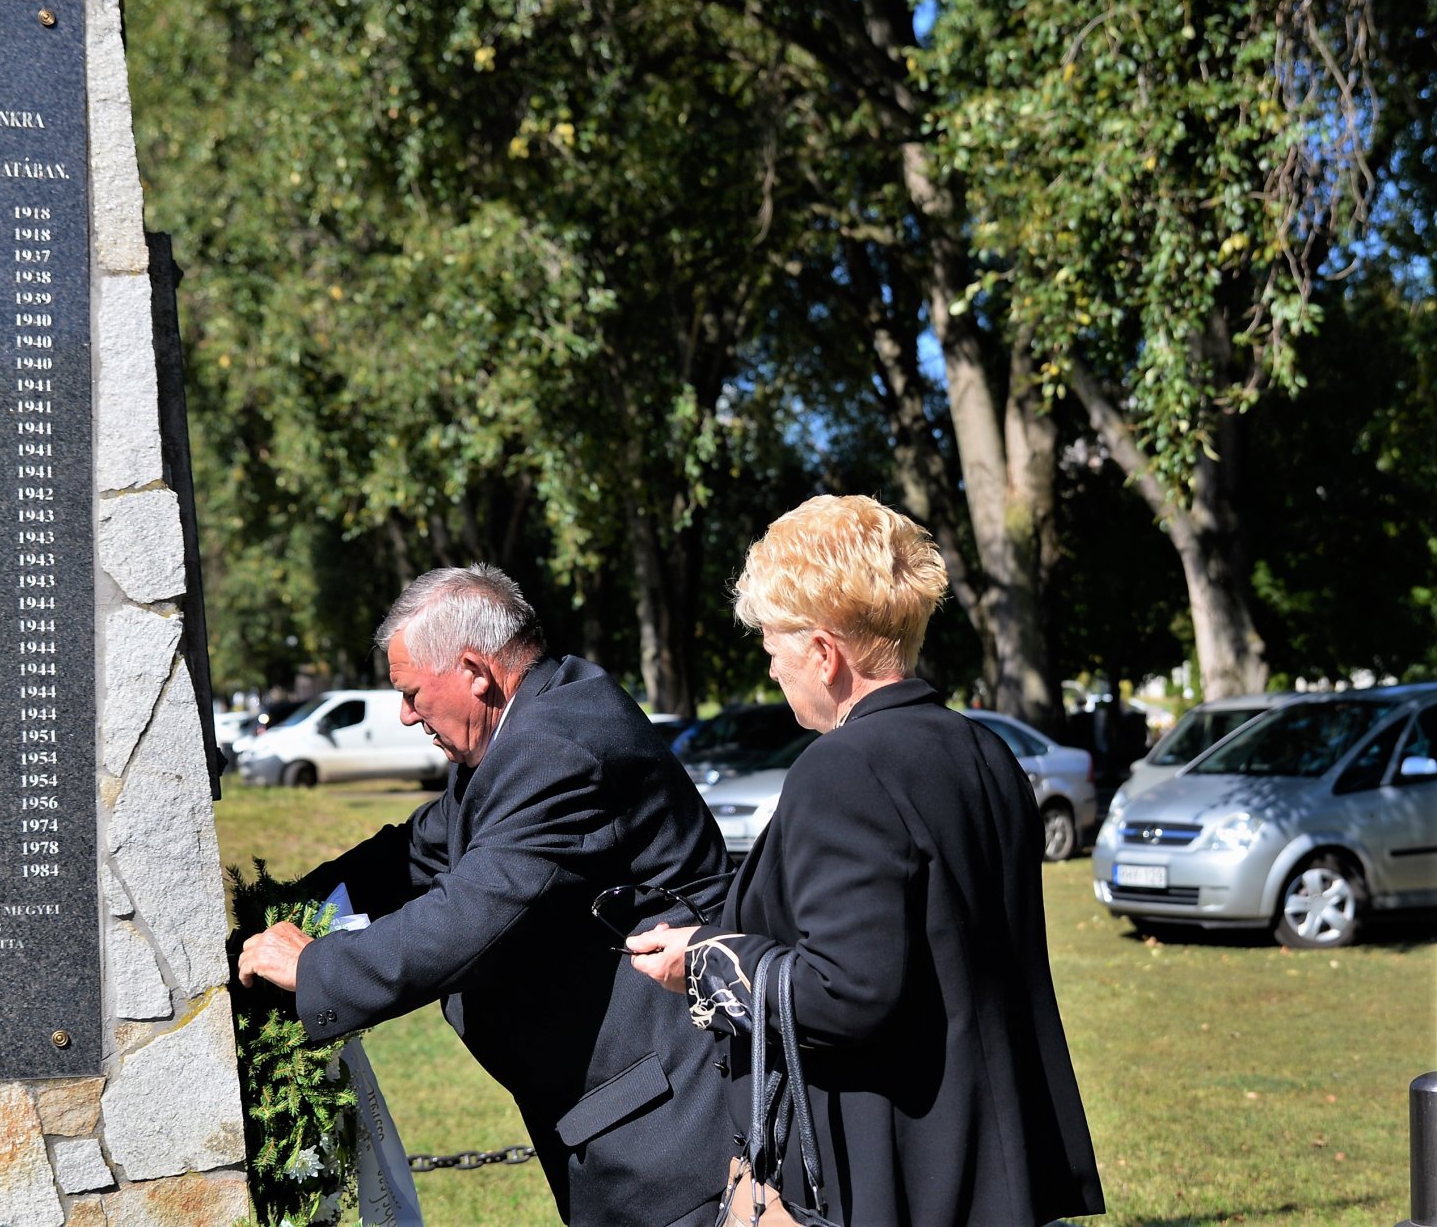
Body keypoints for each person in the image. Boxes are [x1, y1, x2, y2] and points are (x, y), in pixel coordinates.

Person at [628, 496, 1104, 1226]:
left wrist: (702, 960)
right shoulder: (982, 750)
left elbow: (848, 991)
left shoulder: (843, 767)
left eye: (774, 650)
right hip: (992, 1164)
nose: (774, 671)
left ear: (824, 652)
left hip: (895, 1174)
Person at [237, 565, 735, 1227]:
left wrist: (310, 968)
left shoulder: (556, 746)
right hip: (629, 1115)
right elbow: (413, 853)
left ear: (474, 668)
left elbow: (470, 917)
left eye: (412, 692)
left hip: (671, 1135)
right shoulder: (525, 733)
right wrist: (284, 914)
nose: (406, 714)